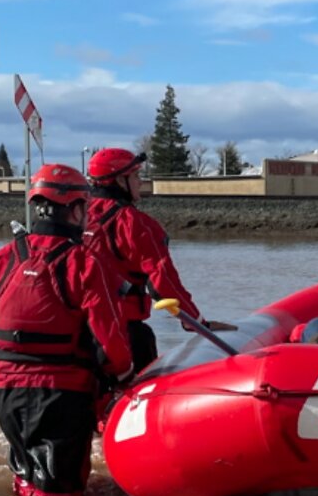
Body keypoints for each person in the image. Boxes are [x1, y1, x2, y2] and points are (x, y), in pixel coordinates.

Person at [0, 164, 133, 496]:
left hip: (7, 397)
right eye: (86, 207)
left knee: (27, 475)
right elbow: (109, 340)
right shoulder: (85, 264)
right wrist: (125, 381)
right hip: (62, 395)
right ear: (75, 209)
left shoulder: (0, 260)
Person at [84, 148, 235, 372]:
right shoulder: (134, 223)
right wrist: (197, 322)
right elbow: (162, 281)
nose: (140, 182)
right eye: (135, 176)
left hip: (79, 333)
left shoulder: (78, 215)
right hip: (124, 333)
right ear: (119, 180)